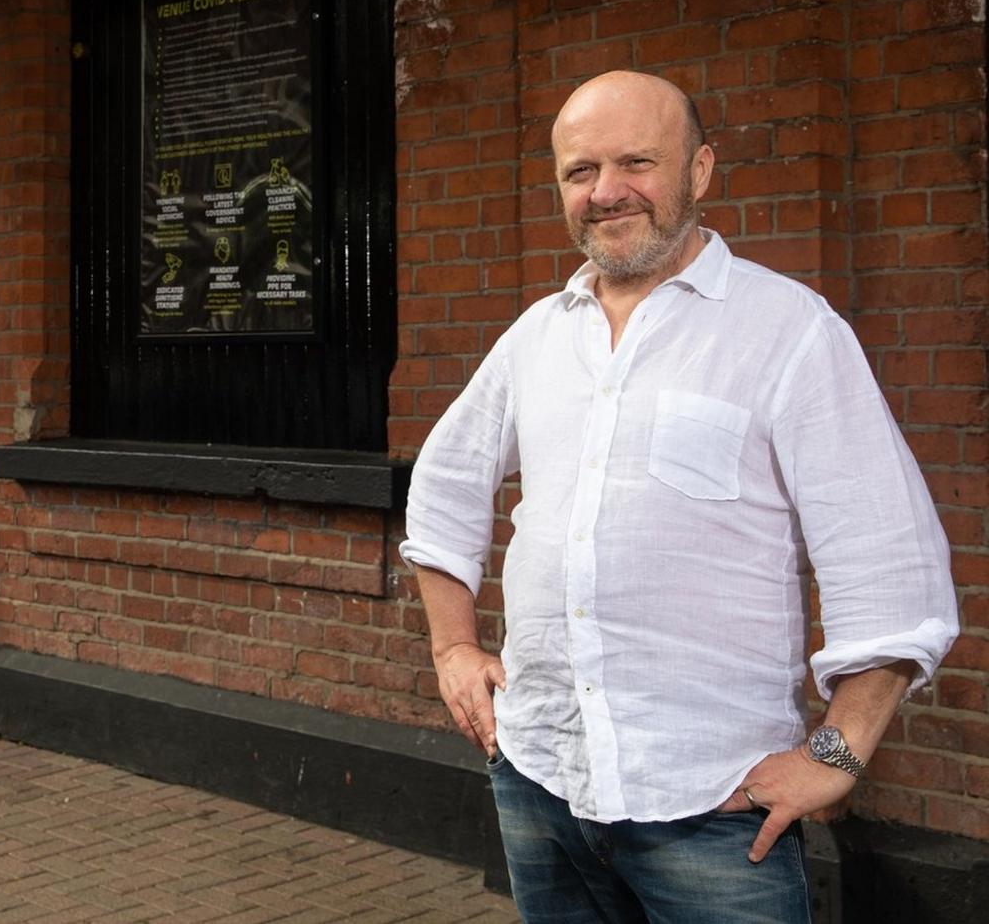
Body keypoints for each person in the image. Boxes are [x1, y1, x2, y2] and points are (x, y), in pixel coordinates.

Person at [401, 70, 958, 922]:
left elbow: (887, 555)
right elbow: (444, 482)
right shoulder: (538, 337)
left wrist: (836, 756)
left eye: (636, 162)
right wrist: (451, 649)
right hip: (541, 779)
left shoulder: (790, 331)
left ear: (699, 171)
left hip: (715, 811)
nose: (606, 191)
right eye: (580, 171)